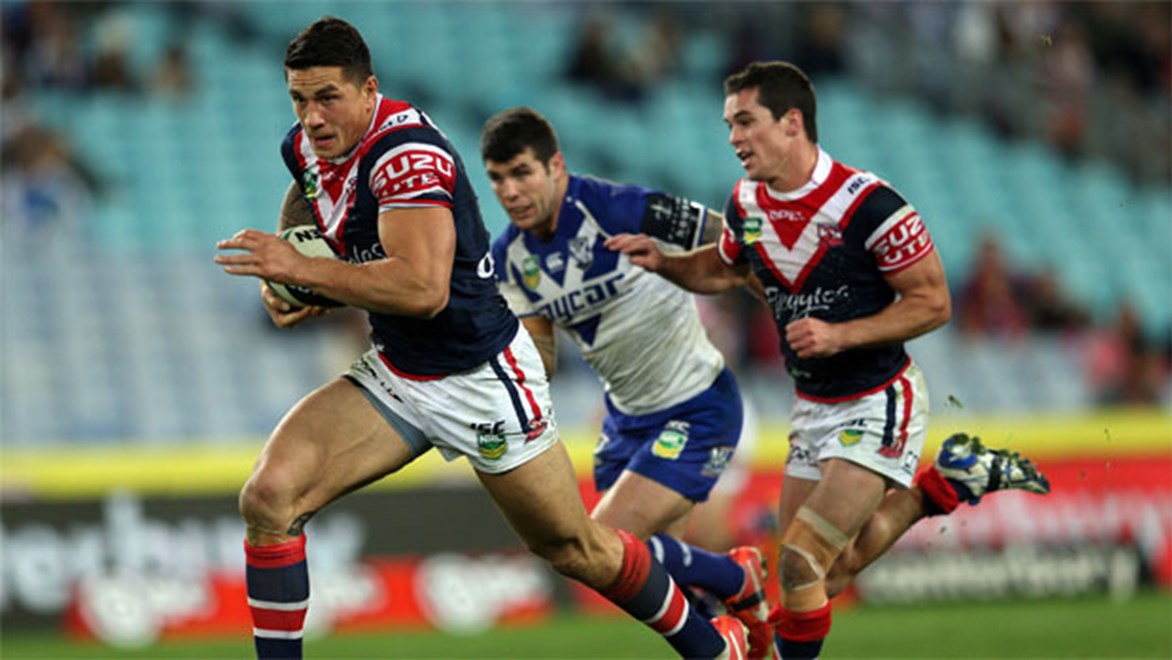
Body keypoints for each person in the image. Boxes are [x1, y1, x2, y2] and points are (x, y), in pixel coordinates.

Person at [214, 18, 747, 659]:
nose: (312, 116)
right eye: (299, 99)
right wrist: (293, 271)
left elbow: (423, 289)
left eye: (328, 96)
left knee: (574, 548)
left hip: (481, 375)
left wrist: (302, 269)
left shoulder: (408, 157)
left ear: (369, 90)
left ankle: (714, 646)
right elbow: (310, 194)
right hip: (401, 371)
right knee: (270, 497)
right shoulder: (307, 145)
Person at [607, 61, 1051, 659]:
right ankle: (944, 485)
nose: (734, 138)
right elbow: (723, 268)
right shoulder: (746, 203)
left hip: (878, 399)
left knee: (800, 561)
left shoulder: (870, 205)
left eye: (746, 122)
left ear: (792, 123)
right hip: (813, 407)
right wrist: (665, 262)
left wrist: (841, 335)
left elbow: (933, 302)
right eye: (729, 124)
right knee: (825, 574)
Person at [481, 107, 771, 654]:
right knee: (664, 584)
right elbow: (540, 359)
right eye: (497, 178)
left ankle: (736, 579)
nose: (509, 191)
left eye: (521, 173)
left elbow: (733, 241)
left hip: (697, 404)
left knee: (600, 546)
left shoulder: (615, 207)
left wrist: (784, 307)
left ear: (555, 166)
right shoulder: (510, 260)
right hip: (625, 424)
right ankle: (738, 628)